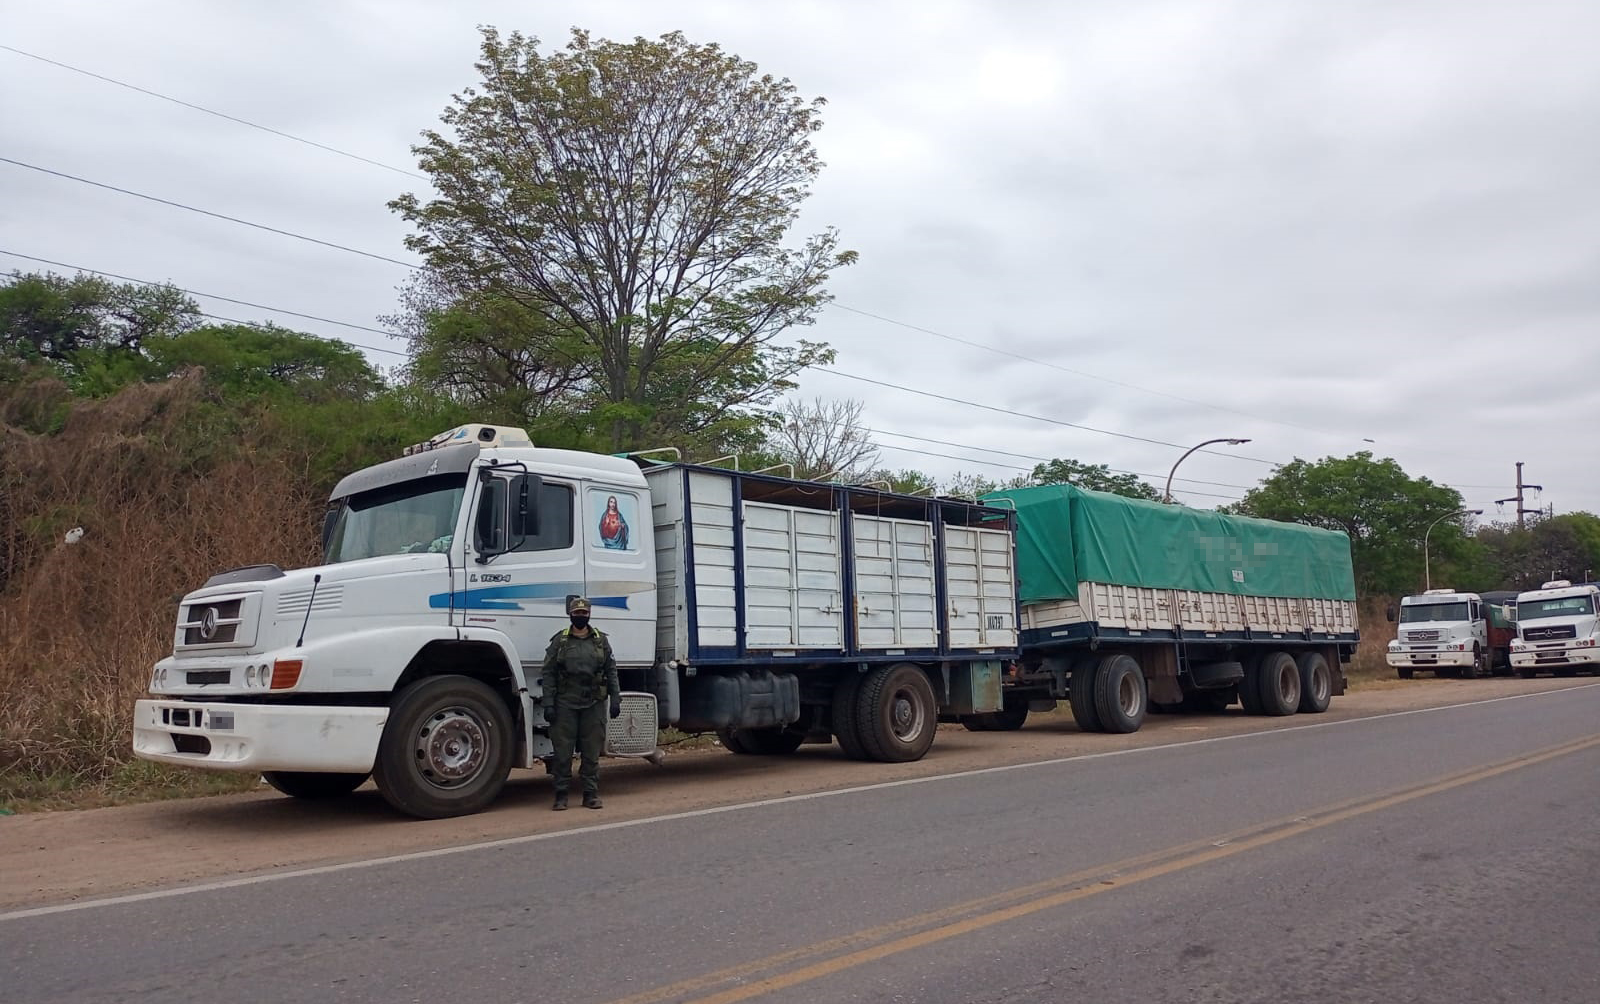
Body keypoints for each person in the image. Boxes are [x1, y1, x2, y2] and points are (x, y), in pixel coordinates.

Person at [540, 596, 620, 810]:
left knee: (591, 752)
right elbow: (548, 673)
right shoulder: (561, 641)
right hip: (565, 703)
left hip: (593, 703)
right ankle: (561, 795)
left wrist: (616, 699)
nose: (580, 617)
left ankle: (590, 794)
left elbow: (611, 671)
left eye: (584, 613)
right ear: (570, 615)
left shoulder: (600, 640)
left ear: (589, 614)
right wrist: (548, 703)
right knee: (563, 753)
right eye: (577, 613)